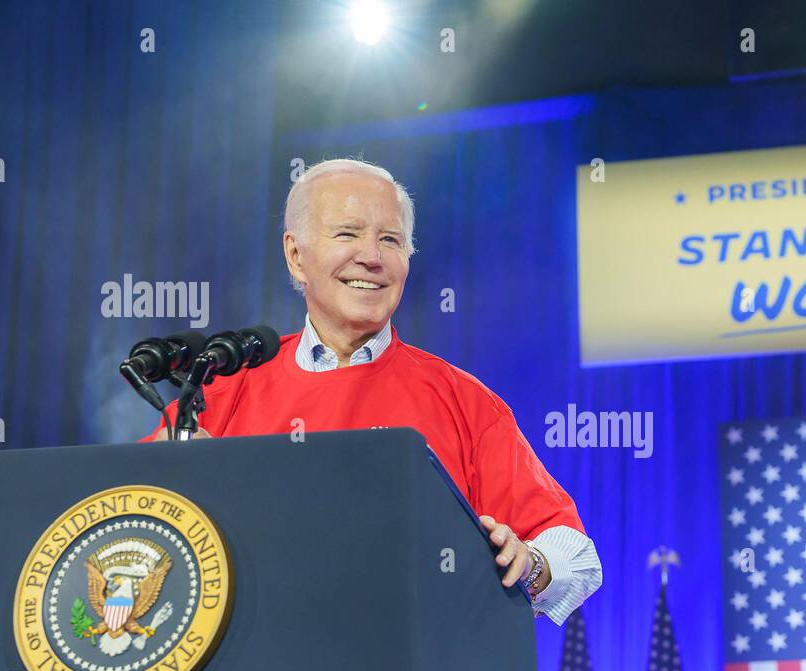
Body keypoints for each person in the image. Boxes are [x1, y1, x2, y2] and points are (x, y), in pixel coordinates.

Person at [143, 158, 601, 624]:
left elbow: (575, 552)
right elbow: (125, 513)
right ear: (296, 256)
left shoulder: (463, 400)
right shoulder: (218, 391)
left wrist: (534, 565)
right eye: (347, 234)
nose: (372, 257)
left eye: (391, 240)